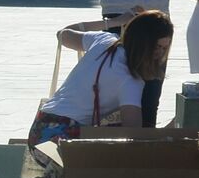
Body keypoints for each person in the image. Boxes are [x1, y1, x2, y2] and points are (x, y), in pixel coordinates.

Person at [31, 10, 175, 156]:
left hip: (39, 130)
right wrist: (172, 128)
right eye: (157, 47)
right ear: (142, 43)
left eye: (164, 48)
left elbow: (63, 34)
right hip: (63, 142)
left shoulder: (105, 40)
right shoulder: (131, 81)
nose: (160, 54)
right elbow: (134, 134)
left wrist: (114, 22)